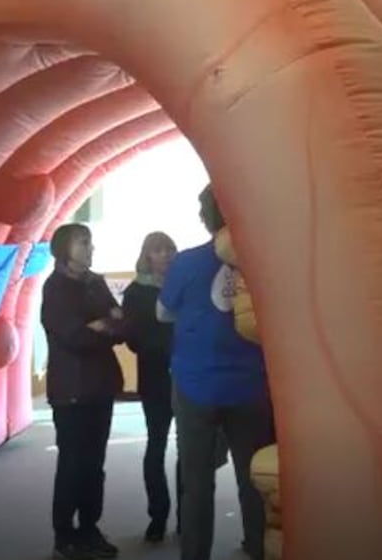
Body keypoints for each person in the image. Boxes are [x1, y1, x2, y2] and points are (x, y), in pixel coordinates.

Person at [157, 185, 275, 560]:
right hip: (249, 384)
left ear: (205, 218)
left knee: (196, 481)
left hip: (196, 384)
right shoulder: (263, 261)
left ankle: (195, 553)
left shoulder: (187, 262)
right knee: (253, 476)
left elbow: (162, 312)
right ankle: (258, 547)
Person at [124, 232, 232, 543]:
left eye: (170, 248)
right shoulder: (136, 292)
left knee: (189, 450)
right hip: (156, 379)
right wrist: (172, 344)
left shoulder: (185, 283)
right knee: (156, 445)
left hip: (188, 377)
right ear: (147, 256)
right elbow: (134, 339)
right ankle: (157, 515)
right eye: (158, 250)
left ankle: (188, 517)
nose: (166, 255)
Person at [40, 223, 124, 560]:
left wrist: (105, 325)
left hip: (101, 386)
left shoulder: (97, 283)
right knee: (72, 465)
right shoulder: (55, 288)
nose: (91, 248)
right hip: (71, 391)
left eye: (91, 242)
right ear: (64, 249)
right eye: (83, 243)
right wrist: (103, 324)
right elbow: (72, 336)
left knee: (95, 464)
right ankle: (64, 536)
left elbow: (122, 325)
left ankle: (90, 529)